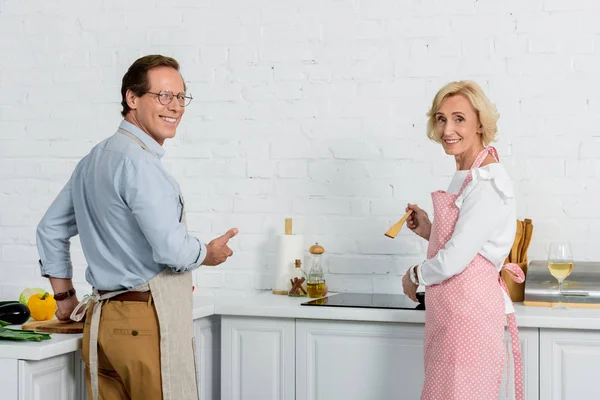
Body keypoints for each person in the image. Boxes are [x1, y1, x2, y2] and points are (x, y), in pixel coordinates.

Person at [36, 54, 238, 400]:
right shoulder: (140, 164)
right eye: (163, 96)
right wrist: (208, 253)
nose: (174, 107)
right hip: (145, 325)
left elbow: (50, 228)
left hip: (102, 326)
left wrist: (65, 298)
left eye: (180, 97)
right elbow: (171, 250)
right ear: (132, 99)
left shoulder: (94, 160)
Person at [401, 80, 524, 400]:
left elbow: (456, 259)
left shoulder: (488, 180)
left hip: (468, 314)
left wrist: (415, 274)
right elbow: (469, 242)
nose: (447, 129)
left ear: (480, 123)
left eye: (459, 118)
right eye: (441, 119)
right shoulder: (468, 174)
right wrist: (430, 229)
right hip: (452, 313)